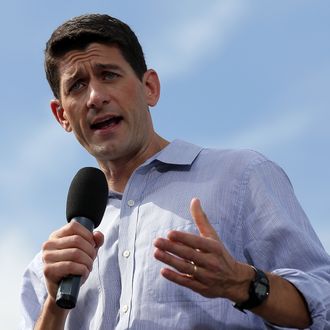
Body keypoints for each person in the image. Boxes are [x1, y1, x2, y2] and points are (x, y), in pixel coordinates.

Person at [20, 13, 330, 329]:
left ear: (150, 88)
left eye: (109, 75)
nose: (95, 97)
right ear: (62, 116)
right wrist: (54, 307)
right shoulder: (52, 263)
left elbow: (325, 304)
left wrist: (241, 283)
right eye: (77, 85)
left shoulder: (241, 176)